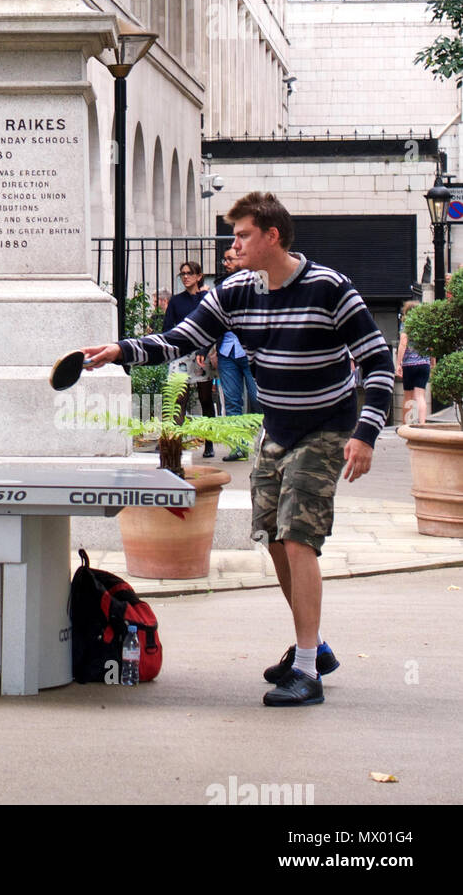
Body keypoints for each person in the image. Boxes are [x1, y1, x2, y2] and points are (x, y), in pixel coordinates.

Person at [82, 191, 394, 708]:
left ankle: (307, 670)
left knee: (298, 536)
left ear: (272, 236)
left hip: (326, 427)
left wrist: (365, 433)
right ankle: (310, 648)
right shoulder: (236, 292)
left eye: (243, 234)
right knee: (273, 538)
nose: (235, 244)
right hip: (277, 428)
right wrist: (119, 350)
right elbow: (180, 338)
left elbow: (378, 364)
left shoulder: (330, 288)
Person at [163, 261, 218, 455]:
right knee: (179, 399)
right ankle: (174, 442)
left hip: (201, 353)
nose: (185, 277)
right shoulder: (176, 301)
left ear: (199, 276)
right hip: (181, 352)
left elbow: (213, 325)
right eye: (182, 274)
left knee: (205, 398)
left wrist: (205, 350)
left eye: (189, 273)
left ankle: (209, 443)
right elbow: (168, 328)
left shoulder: (206, 297)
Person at [215, 248, 261, 461]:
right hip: (227, 350)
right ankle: (238, 447)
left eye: (229, 259)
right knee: (233, 402)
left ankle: (264, 441)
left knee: (258, 398)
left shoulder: (258, 281)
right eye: (224, 260)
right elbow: (213, 318)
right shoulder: (221, 285)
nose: (226, 263)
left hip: (251, 350)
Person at [396, 300, 432, 427]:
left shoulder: (407, 324)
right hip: (424, 364)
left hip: (409, 365)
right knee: (420, 395)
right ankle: (422, 424)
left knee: (408, 396)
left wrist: (398, 363)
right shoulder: (426, 326)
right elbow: (431, 347)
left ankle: (407, 424)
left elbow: (403, 343)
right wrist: (432, 363)